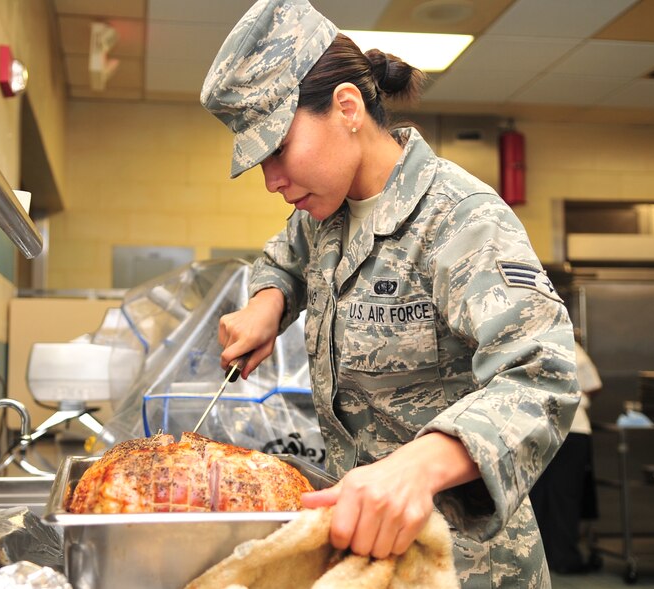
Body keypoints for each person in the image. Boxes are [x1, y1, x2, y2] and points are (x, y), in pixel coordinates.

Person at [201, 0, 580, 586]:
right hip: (362, 555)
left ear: (347, 106)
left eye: (278, 149)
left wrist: (417, 468)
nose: (272, 180)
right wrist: (265, 305)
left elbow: (543, 374)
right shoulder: (322, 214)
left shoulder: (460, 220)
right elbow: (286, 261)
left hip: (463, 561)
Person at [530, 341, 602, 574]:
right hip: (570, 429)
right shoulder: (568, 343)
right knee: (563, 496)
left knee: (537, 495)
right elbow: (593, 384)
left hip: (534, 430)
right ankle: (562, 558)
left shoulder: (522, 340)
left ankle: (537, 560)